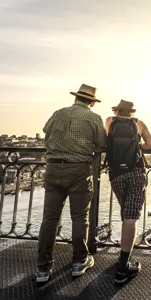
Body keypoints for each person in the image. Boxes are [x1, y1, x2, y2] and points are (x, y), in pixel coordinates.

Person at [36, 84, 107, 283]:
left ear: (75, 98)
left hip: (53, 168)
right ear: (92, 102)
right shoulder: (93, 118)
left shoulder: (58, 114)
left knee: (49, 219)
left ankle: (43, 268)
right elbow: (102, 145)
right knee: (79, 217)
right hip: (79, 170)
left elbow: (46, 134)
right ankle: (79, 261)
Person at [104, 99, 151, 284]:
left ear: (117, 111)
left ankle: (123, 259)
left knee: (125, 213)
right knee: (131, 217)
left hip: (116, 174)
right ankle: (123, 264)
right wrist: (136, 146)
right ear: (131, 112)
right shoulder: (139, 124)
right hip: (136, 173)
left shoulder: (110, 121)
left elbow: (104, 143)